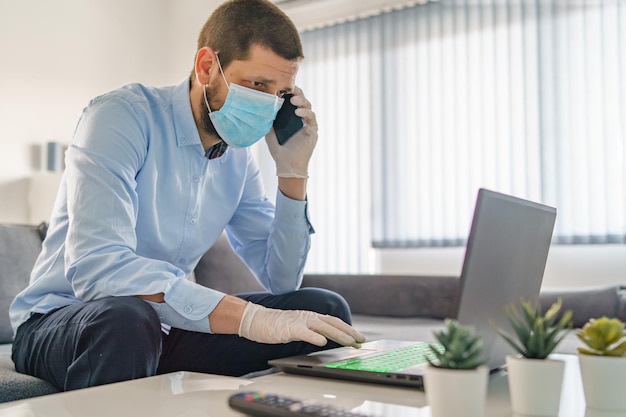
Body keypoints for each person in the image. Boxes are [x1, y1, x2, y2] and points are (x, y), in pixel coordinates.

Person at [9, 0, 365, 391]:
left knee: (323, 312)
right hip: (68, 320)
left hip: (164, 327)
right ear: (207, 66)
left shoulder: (238, 160)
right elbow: (99, 270)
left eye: (279, 93)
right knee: (128, 319)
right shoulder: (120, 117)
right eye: (257, 85)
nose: (267, 103)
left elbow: (281, 279)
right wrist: (248, 318)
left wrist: (292, 172)